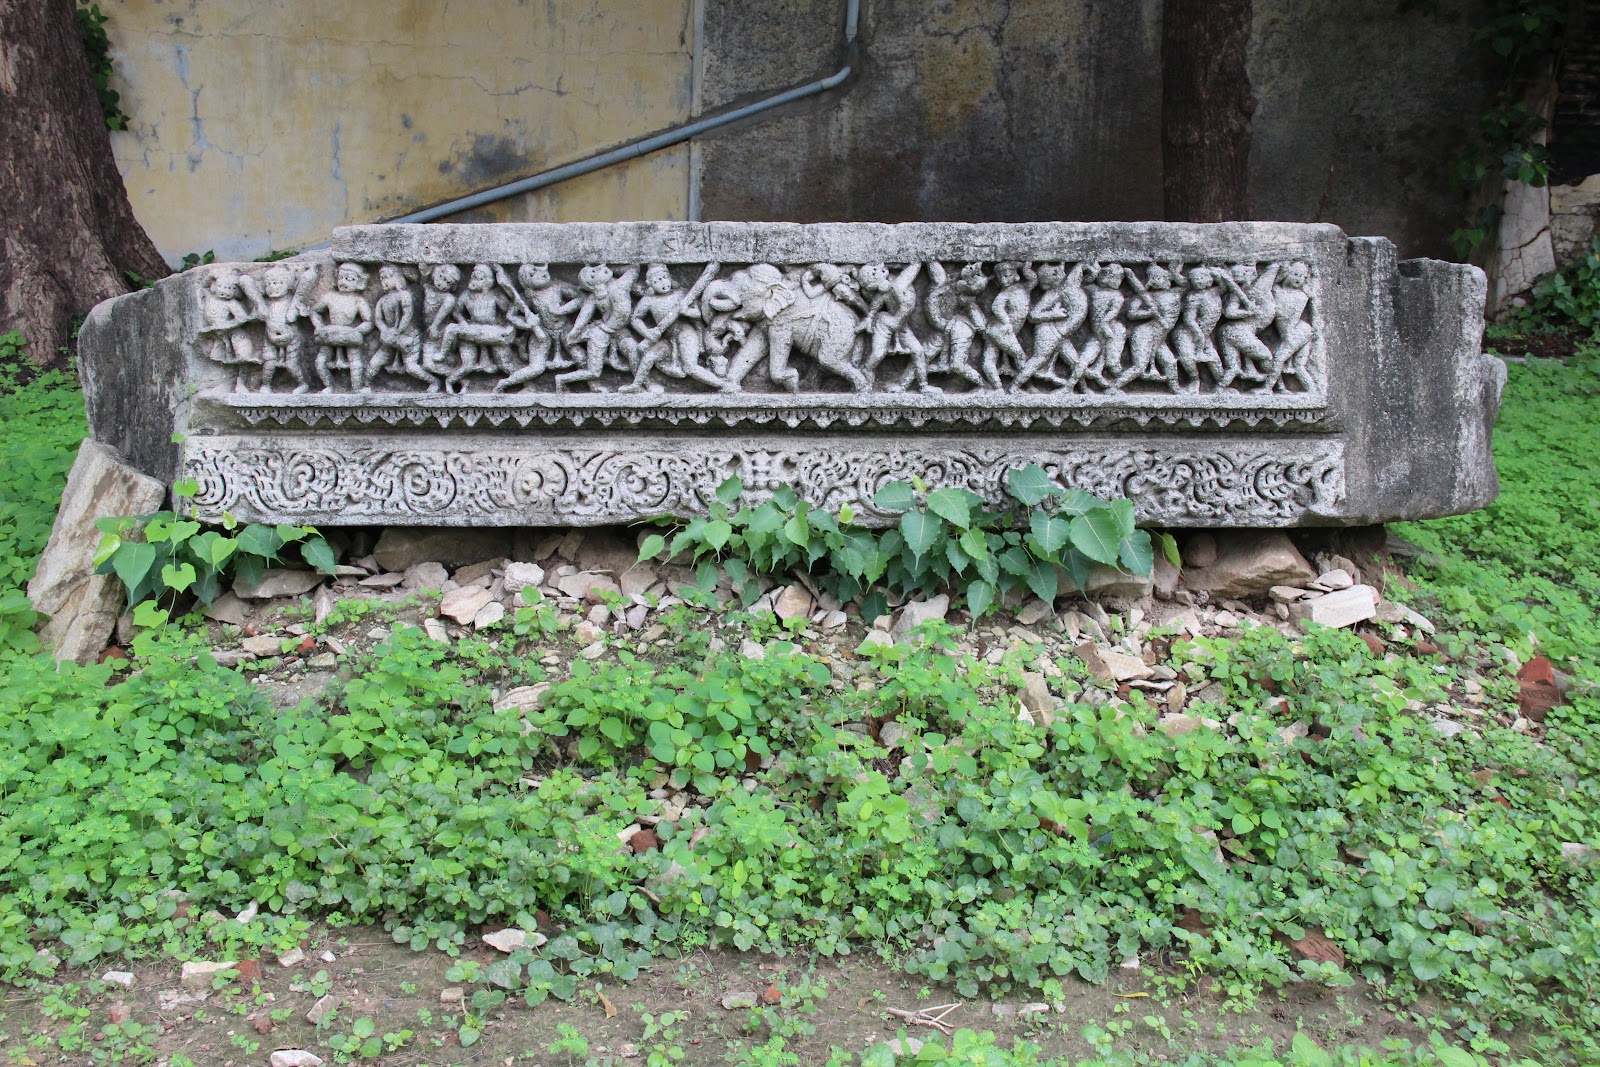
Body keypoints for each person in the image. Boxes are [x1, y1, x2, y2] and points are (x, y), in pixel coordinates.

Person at [368, 264, 437, 392]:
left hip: (409, 336)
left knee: (411, 367)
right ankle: (363, 386)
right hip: (390, 337)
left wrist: (398, 331)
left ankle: (434, 382)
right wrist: (384, 330)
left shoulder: (404, 295)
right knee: (374, 363)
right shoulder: (382, 300)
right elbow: (378, 319)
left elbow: (407, 314)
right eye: (381, 278)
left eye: (386, 277)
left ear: (397, 278)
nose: (383, 281)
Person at [309, 262, 374, 392]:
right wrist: (319, 326)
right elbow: (314, 311)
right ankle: (328, 385)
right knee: (320, 361)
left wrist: (357, 330)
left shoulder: (358, 300)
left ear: (359, 283)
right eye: (341, 278)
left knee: (355, 361)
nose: (344, 282)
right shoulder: (330, 297)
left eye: (350, 279)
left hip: (349, 334)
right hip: (330, 333)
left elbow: (368, 321)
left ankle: (357, 387)